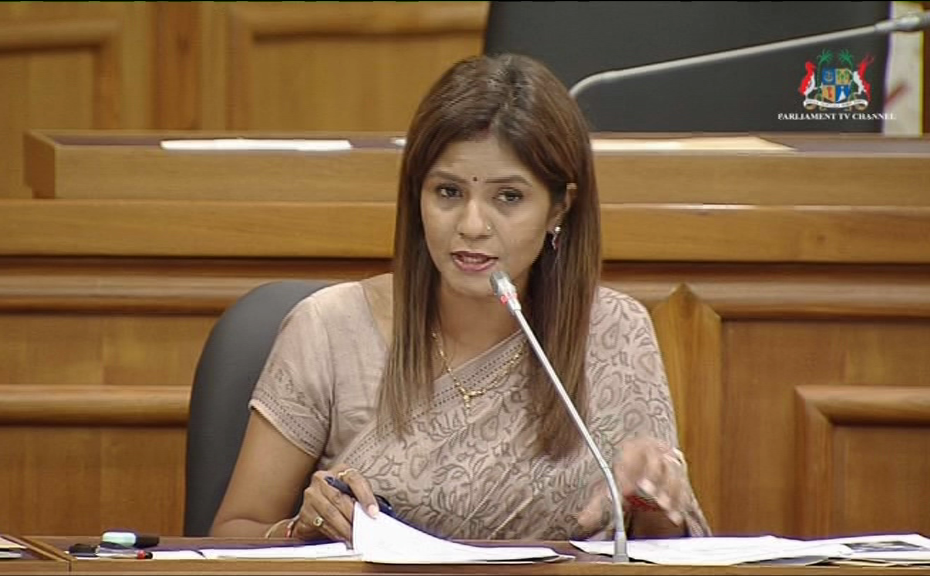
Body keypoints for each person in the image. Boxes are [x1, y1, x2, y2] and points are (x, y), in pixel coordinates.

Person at [210, 53, 711, 543]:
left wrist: (654, 502)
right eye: (448, 192)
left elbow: (660, 551)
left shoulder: (614, 332)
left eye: (508, 197)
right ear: (418, 196)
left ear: (560, 207)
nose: (472, 225)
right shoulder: (329, 329)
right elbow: (234, 535)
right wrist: (300, 530)